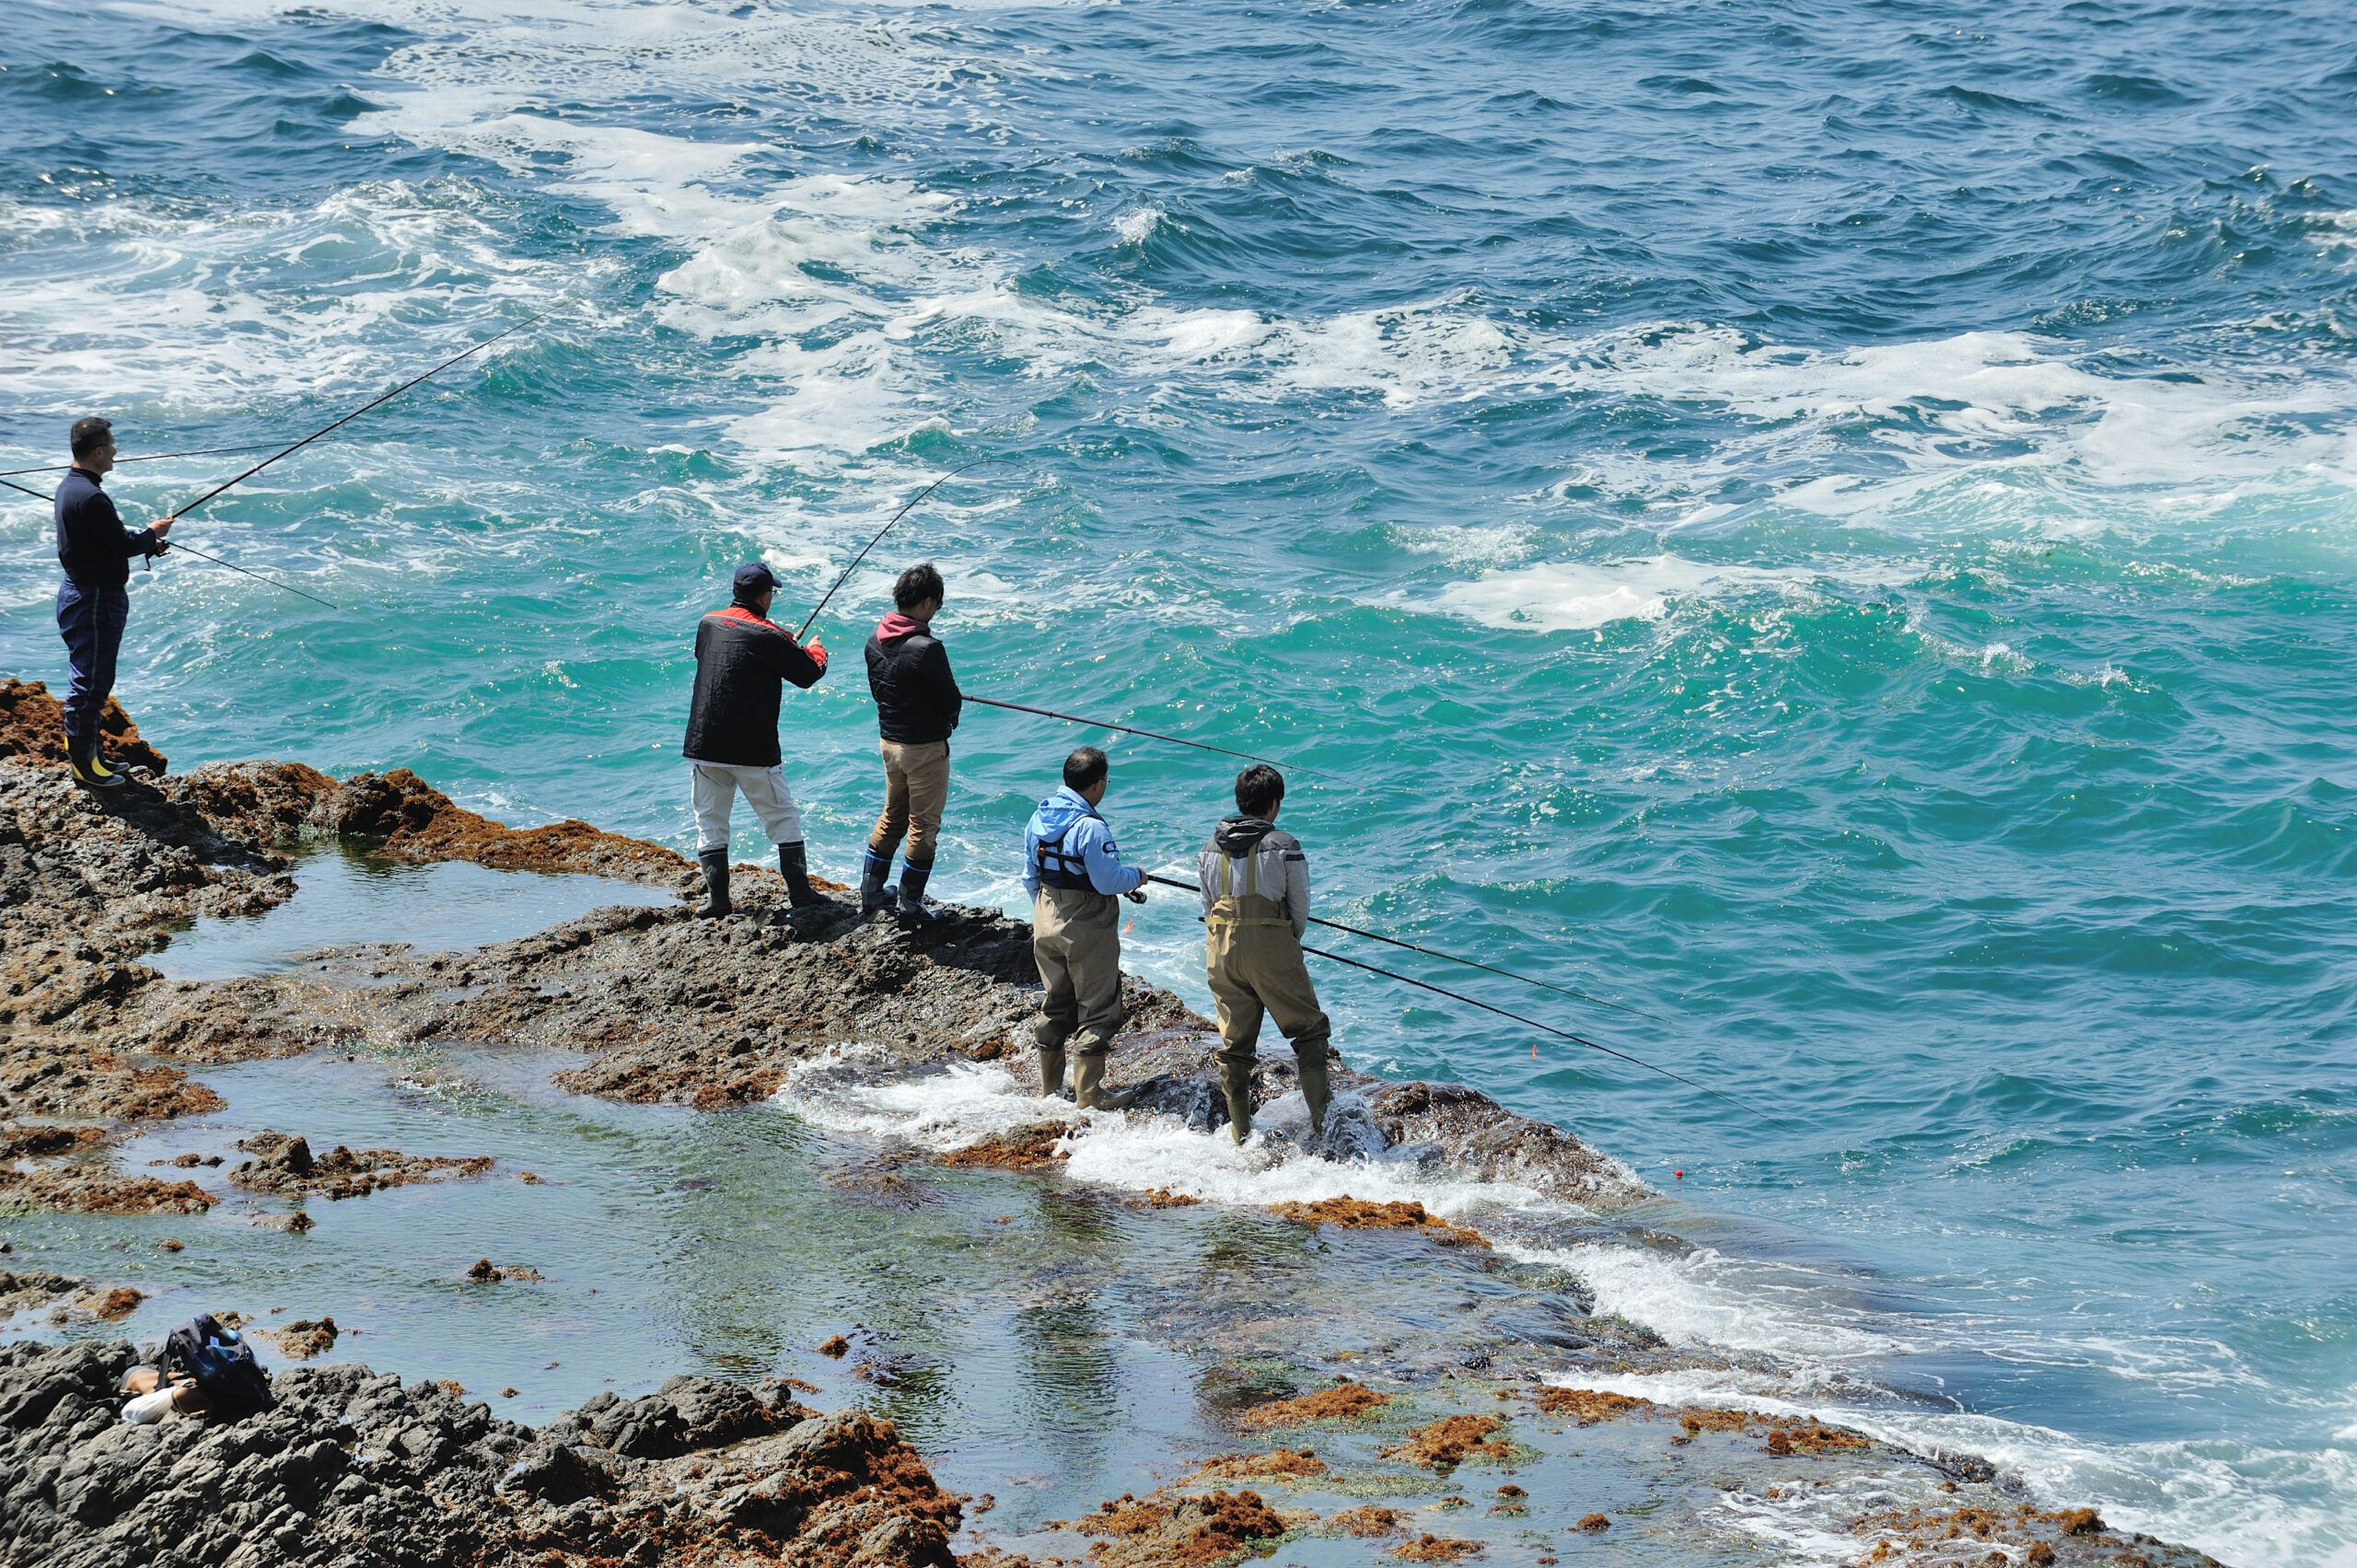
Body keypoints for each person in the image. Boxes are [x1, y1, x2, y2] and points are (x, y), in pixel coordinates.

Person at [683, 561, 830, 919]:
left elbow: (734, 648)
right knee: (782, 818)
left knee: (710, 820)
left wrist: (782, 644)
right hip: (752, 749)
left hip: (705, 744)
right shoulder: (771, 636)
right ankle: (801, 895)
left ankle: (718, 901)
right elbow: (808, 673)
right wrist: (814, 650)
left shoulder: (708, 622)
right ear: (764, 596)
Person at [1199, 763, 1337, 1143]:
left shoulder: (1209, 848)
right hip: (1272, 945)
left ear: (1240, 801)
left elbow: (1209, 903)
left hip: (1221, 948)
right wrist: (1285, 941)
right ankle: (1323, 1125)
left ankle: (1241, 1135)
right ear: (1274, 804)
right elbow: (1299, 906)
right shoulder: (1284, 845)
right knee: (1309, 1032)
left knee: (1235, 1045)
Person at [1023, 746, 1149, 1109]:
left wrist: (1047, 911)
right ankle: (1090, 1095)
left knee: (1056, 1002)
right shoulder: (1091, 827)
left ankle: (1049, 1089)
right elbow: (1108, 880)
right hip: (1086, 924)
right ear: (1095, 785)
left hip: (1045, 915)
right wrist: (1137, 876)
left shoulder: (1039, 818)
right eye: (1105, 781)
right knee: (1097, 1006)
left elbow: (1030, 876)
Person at [53, 417, 173, 790]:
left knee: (97, 681)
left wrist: (146, 540)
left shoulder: (74, 488)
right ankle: (84, 769)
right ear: (99, 451)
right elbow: (122, 545)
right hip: (93, 599)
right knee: (89, 685)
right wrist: (152, 534)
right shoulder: (90, 496)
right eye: (112, 445)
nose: (117, 451)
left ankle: (94, 759)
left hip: (87, 594)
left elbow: (107, 538)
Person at [861, 562, 961, 921]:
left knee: (892, 816)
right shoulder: (927, 648)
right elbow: (951, 701)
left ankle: (871, 893)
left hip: (890, 744)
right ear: (926, 602)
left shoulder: (875, 639)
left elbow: (880, 691)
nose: (936, 611)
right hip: (924, 749)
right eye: (937, 604)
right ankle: (909, 904)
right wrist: (951, 714)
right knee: (923, 825)